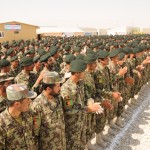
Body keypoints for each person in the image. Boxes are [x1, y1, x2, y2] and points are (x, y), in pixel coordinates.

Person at [60, 59, 101, 150]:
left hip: (81, 122)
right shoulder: (66, 89)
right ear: (77, 73)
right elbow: (69, 109)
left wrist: (90, 103)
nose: (85, 73)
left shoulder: (80, 83)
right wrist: (88, 109)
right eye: (83, 71)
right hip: (72, 126)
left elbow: (82, 100)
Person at [30, 71, 66, 150]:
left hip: (61, 144)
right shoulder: (37, 105)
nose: (60, 88)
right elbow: (34, 133)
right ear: (49, 89)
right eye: (57, 86)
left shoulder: (58, 98)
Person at [0, 84, 37, 149]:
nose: (30, 101)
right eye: (27, 100)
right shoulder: (2, 123)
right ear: (17, 104)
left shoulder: (28, 113)